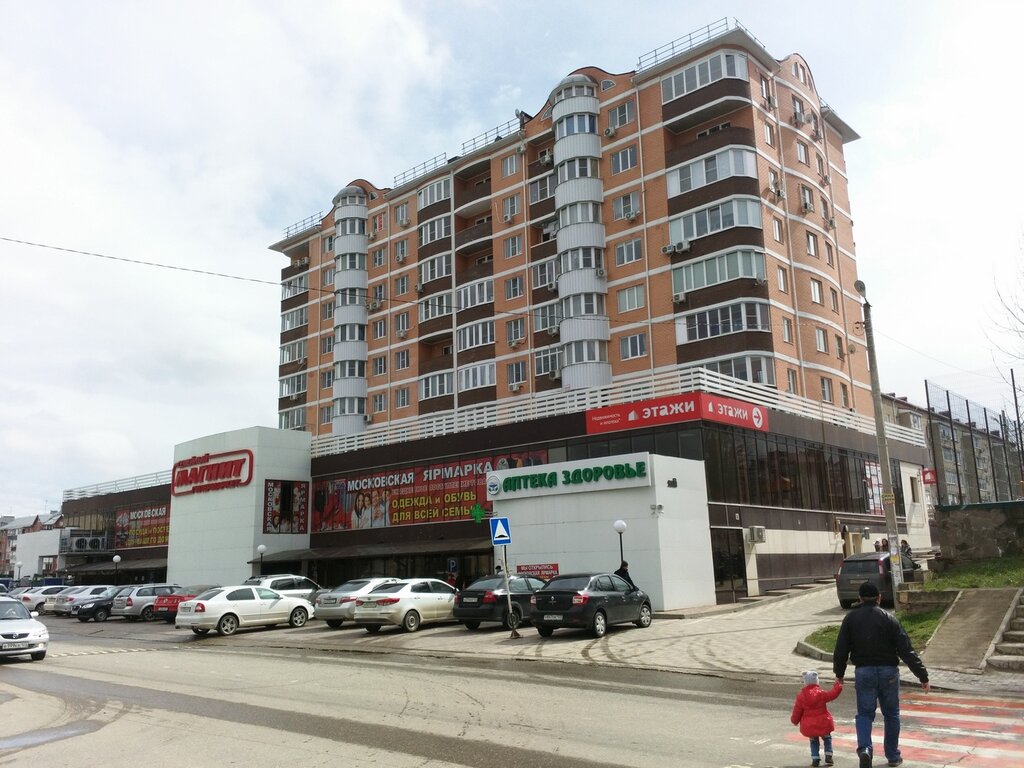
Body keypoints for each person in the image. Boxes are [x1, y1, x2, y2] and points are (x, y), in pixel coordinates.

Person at [833, 581, 930, 768]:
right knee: (891, 714)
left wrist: (839, 674)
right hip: (889, 672)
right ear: (879, 598)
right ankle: (893, 756)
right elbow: (906, 650)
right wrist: (922, 676)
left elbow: (841, 650)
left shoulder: (850, 619)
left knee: (864, 714)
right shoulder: (890, 619)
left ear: (860, 598)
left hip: (864, 672)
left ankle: (865, 749)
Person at [790, 669, 842, 766]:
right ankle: (828, 755)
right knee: (827, 738)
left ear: (805, 682)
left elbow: (797, 711)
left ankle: (815, 758)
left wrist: (794, 720)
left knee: (813, 741)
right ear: (816, 681)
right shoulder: (821, 694)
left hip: (809, 725)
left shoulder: (801, 696)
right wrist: (838, 685)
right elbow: (833, 694)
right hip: (823, 722)